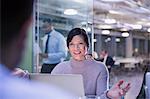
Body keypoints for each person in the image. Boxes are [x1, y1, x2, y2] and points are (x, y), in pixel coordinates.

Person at [0, 0, 77, 98]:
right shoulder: (44, 38)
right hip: (45, 66)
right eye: (42, 27)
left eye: (45, 27)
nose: (44, 29)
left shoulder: (59, 37)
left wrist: (48, 56)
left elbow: (63, 54)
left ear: (51, 25)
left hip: (55, 65)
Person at [51, 28, 130, 98]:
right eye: (72, 44)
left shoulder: (100, 68)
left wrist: (108, 95)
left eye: (80, 44)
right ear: (68, 47)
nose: (76, 48)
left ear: (87, 46)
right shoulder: (59, 68)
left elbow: (101, 96)